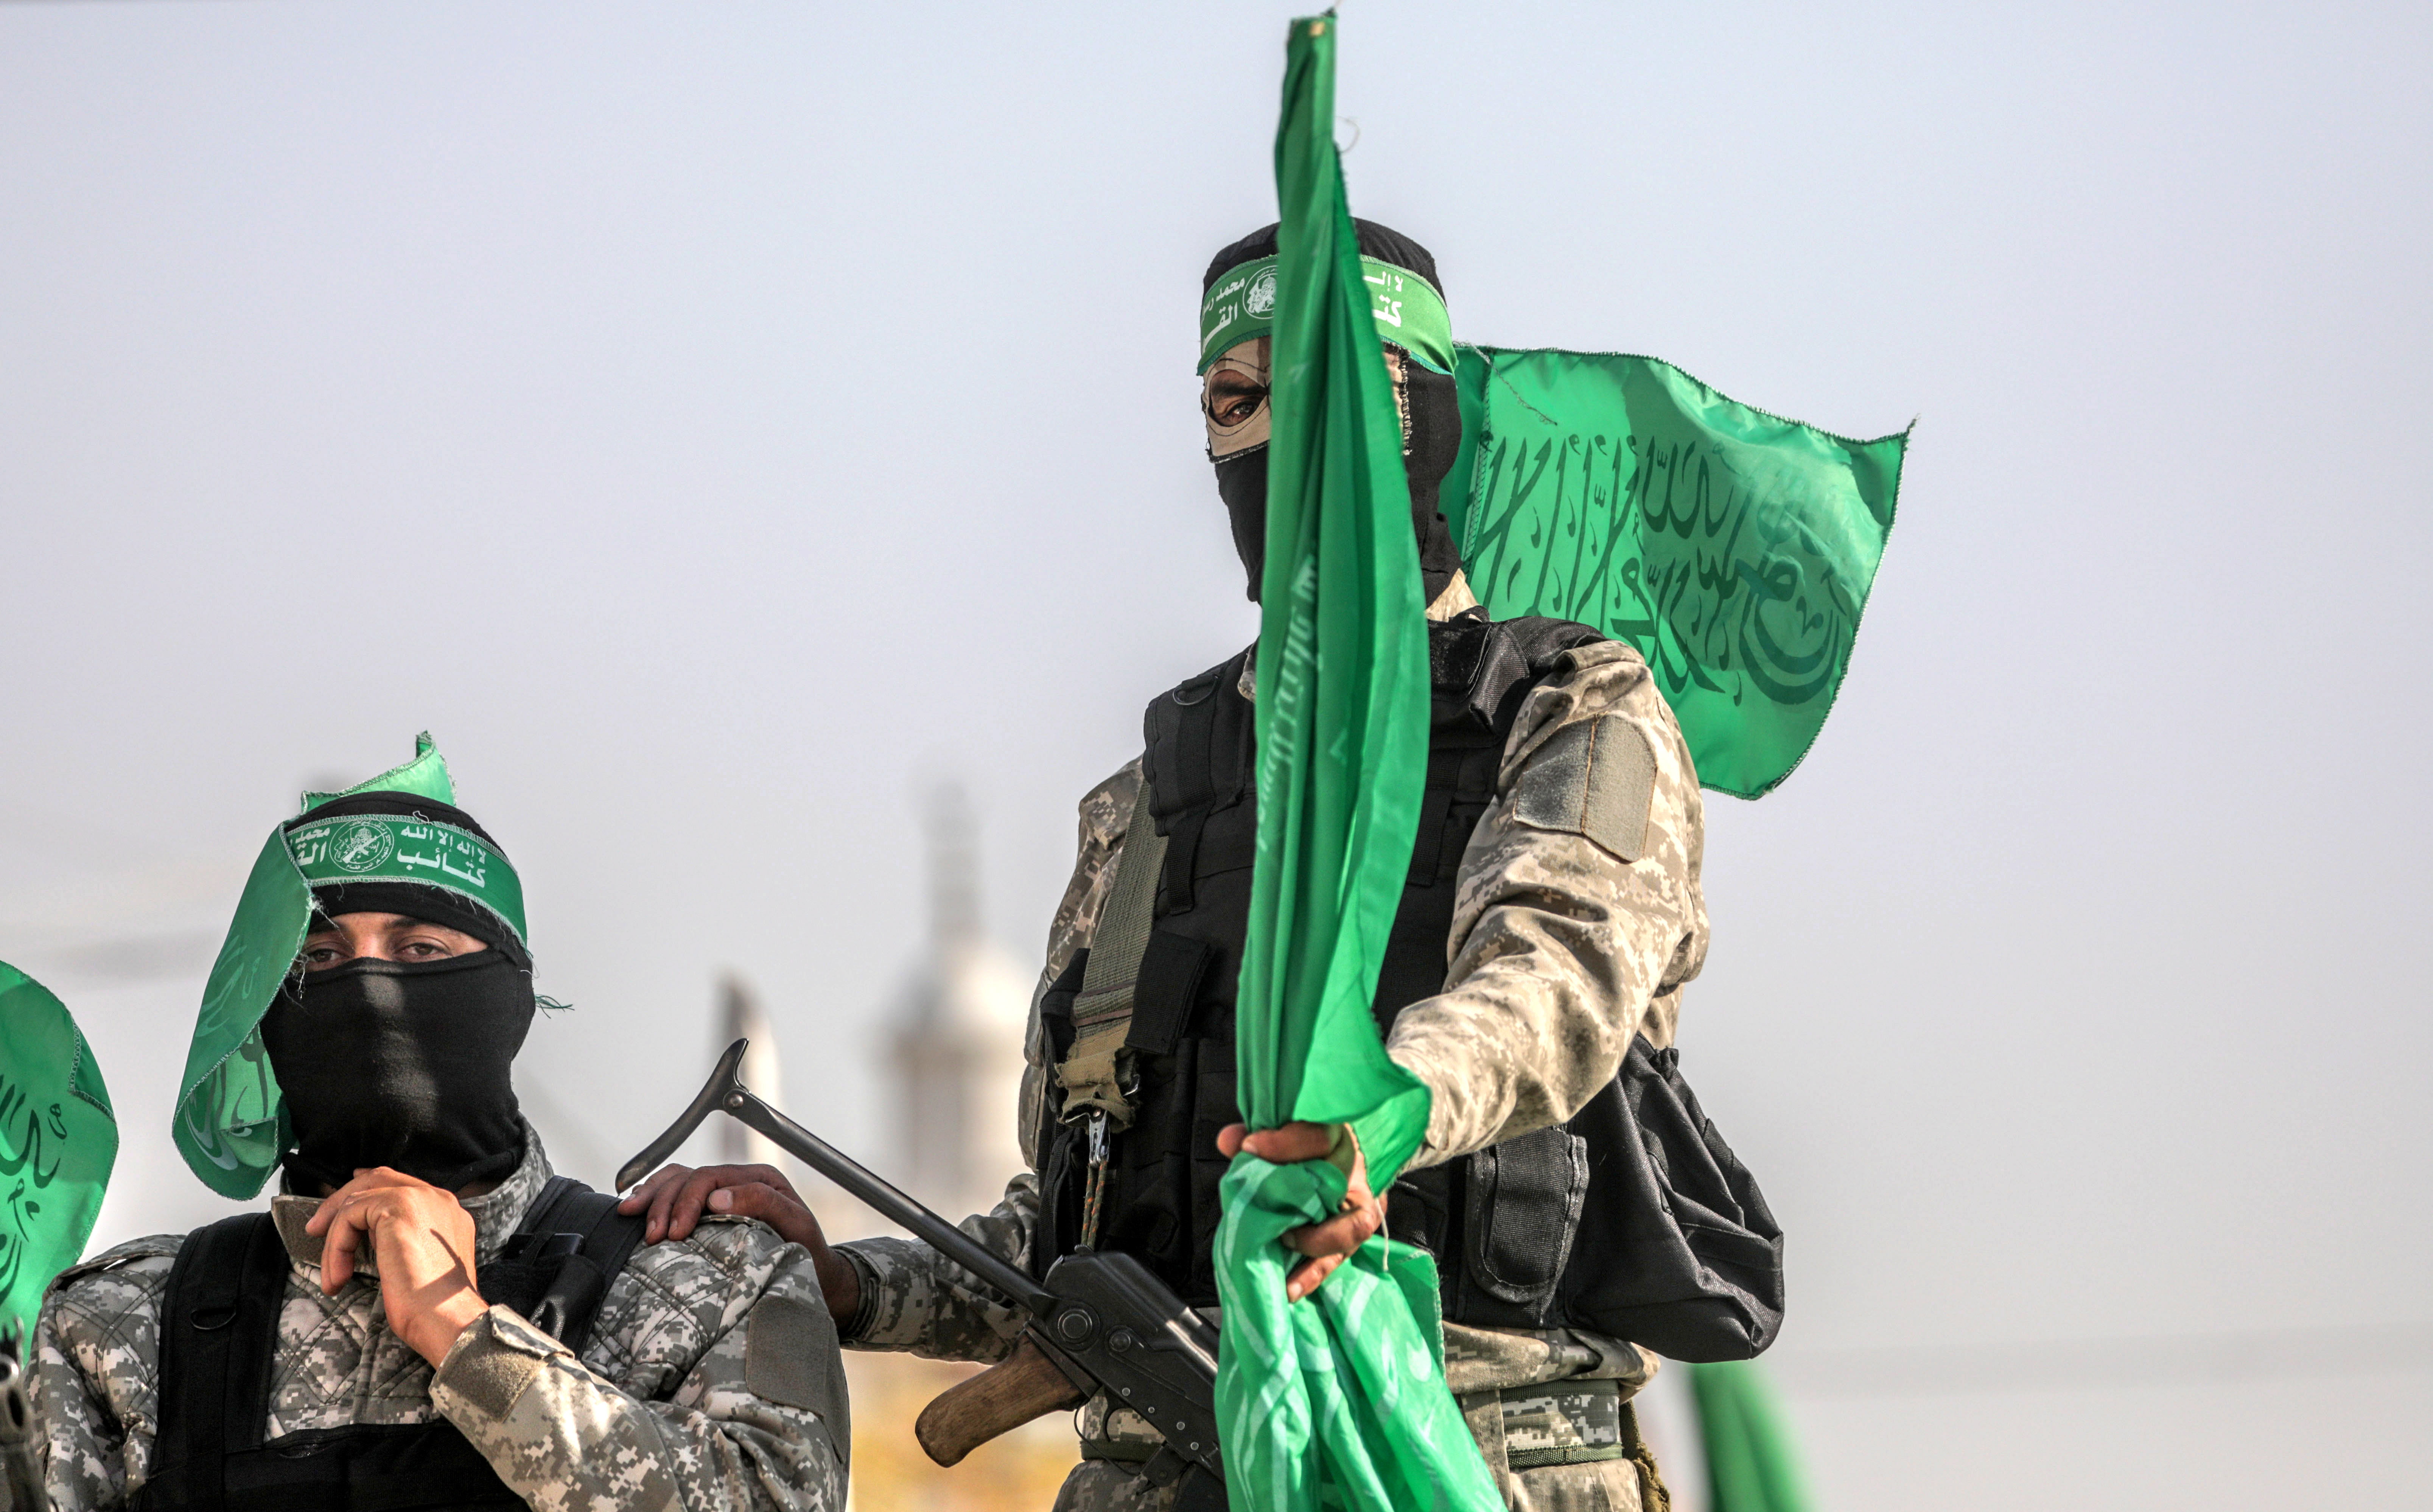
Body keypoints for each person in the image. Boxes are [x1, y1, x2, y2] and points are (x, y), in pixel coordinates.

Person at [628, 222, 1709, 1512]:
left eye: (1333, 394)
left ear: (1425, 418)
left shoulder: (1570, 708)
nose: (1281, 444)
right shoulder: (1156, 798)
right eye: (1238, 402)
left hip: (1471, 1455)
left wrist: (1379, 1113)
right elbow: (1082, 1229)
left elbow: (1557, 979)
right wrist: (845, 1275)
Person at [33, 744, 849, 1512]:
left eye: (420, 949)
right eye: (316, 959)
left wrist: (466, 1336)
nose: (368, 986)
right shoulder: (124, 1317)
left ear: (508, 995)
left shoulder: (714, 1279)